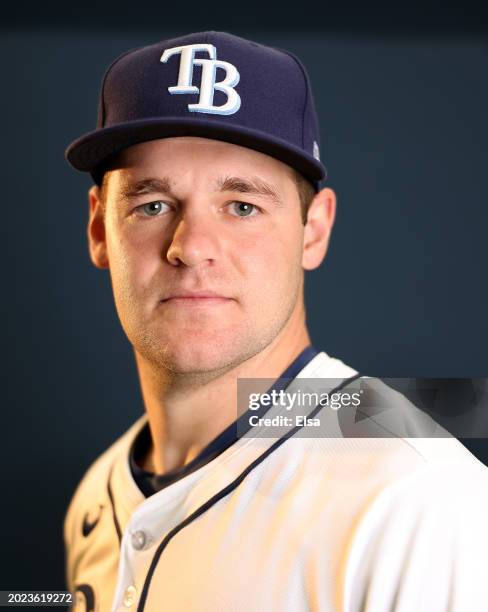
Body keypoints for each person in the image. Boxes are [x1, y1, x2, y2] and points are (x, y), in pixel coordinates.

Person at [64, 31, 488, 612]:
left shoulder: (420, 500)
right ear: (99, 230)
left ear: (314, 230)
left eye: (243, 205)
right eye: (152, 204)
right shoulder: (96, 494)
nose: (191, 247)